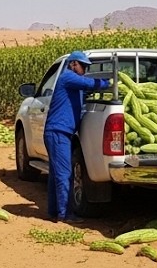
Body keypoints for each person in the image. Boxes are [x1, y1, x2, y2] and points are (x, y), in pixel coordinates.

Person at [43, 50, 113, 224]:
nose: (85, 70)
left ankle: (54, 212)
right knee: (64, 174)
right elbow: (90, 84)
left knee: (56, 174)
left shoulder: (73, 83)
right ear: (73, 64)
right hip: (58, 132)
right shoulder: (68, 77)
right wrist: (110, 82)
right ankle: (65, 215)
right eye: (83, 66)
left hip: (58, 132)